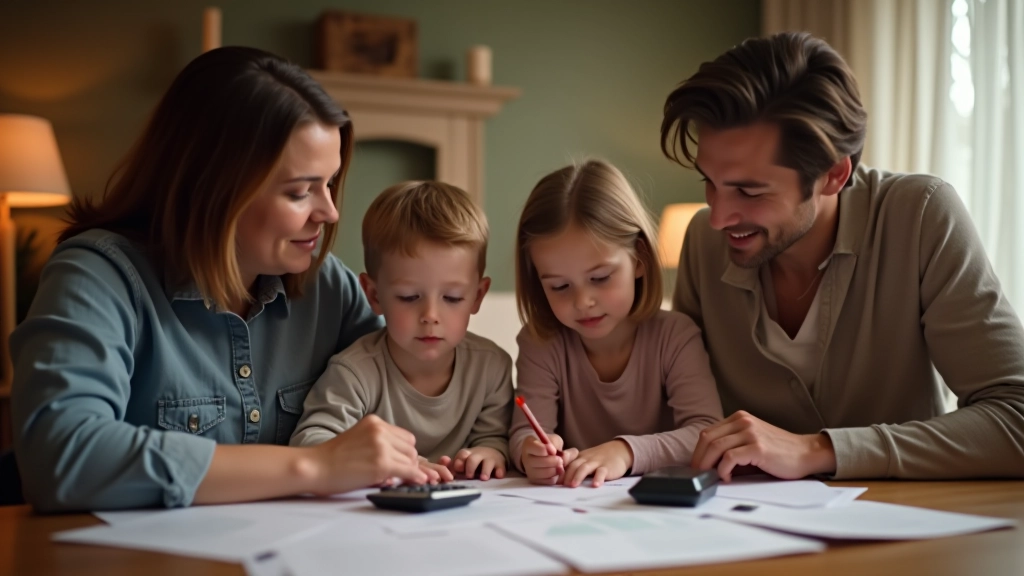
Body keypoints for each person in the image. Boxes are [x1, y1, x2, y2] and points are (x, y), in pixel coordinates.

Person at [11, 46, 429, 512]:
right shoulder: (97, 276)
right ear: (213, 187)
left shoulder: (329, 287)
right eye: (299, 192)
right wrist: (314, 466)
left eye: (329, 184)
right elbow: (61, 457)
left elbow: (415, 395)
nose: (329, 213)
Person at [663, 32, 1024, 481]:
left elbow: (1016, 418)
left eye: (749, 192)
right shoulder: (703, 241)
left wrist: (818, 450)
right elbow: (676, 411)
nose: (718, 217)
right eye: (709, 182)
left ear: (834, 174)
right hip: (744, 519)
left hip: (906, 517)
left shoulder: (920, 216)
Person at [509, 159, 723, 487]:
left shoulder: (676, 336)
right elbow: (525, 433)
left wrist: (625, 452)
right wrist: (530, 454)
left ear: (639, 259)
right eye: (560, 286)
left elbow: (706, 432)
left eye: (600, 277)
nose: (583, 301)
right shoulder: (540, 343)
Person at [290, 181, 513, 482]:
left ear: (477, 296)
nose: (431, 316)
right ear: (374, 295)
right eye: (409, 297)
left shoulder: (491, 367)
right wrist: (386, 460)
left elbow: (496, 435)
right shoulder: (354, 373)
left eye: (452, 298)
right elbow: (310, 442)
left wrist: (491, 451)